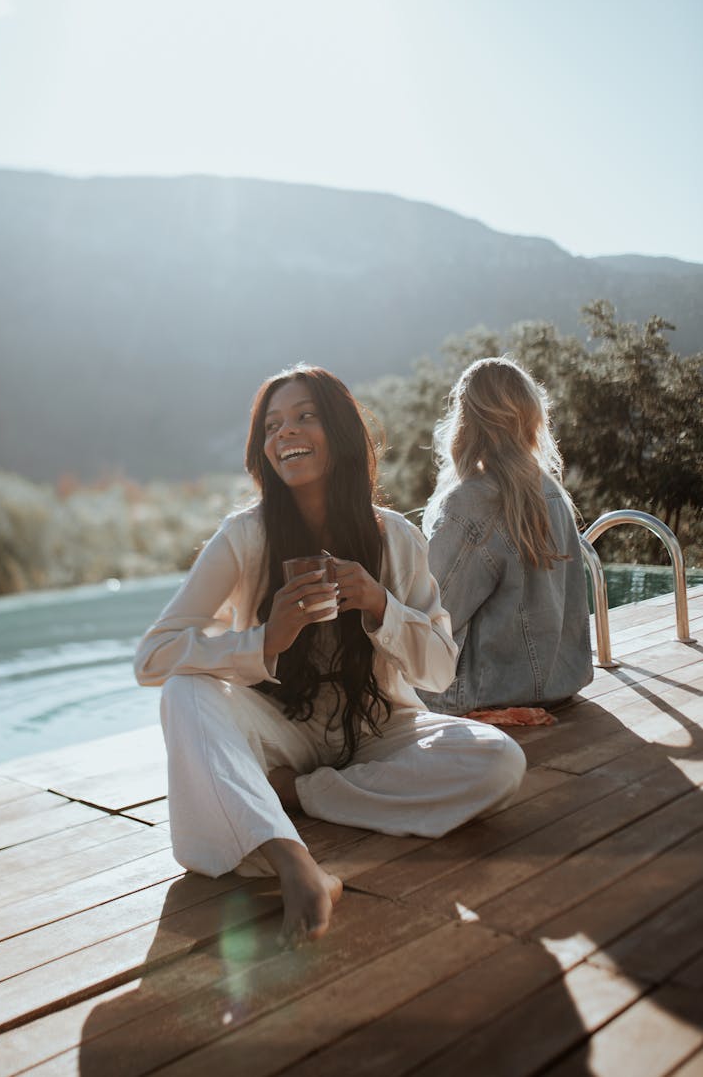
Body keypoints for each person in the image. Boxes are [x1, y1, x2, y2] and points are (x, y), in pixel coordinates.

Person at [134, 365, 526, 948]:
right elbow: (154, 656)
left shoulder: (395, 537)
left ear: (340, 432)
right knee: (184, 690)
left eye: (303, 416)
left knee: (500, 762)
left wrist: (379, 605)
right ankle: (294, 862)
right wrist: (265, 640)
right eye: (272, 424)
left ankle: (292, 794)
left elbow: (440, 668)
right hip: (279, 729)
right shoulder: (244, 537)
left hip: (378, 728)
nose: (284, 432)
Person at [420, 356, 593, 719]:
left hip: (482, 692)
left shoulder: (470, 502)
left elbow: (432, 613)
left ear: (466, 423)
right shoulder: (551, 491)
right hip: (559, 683)